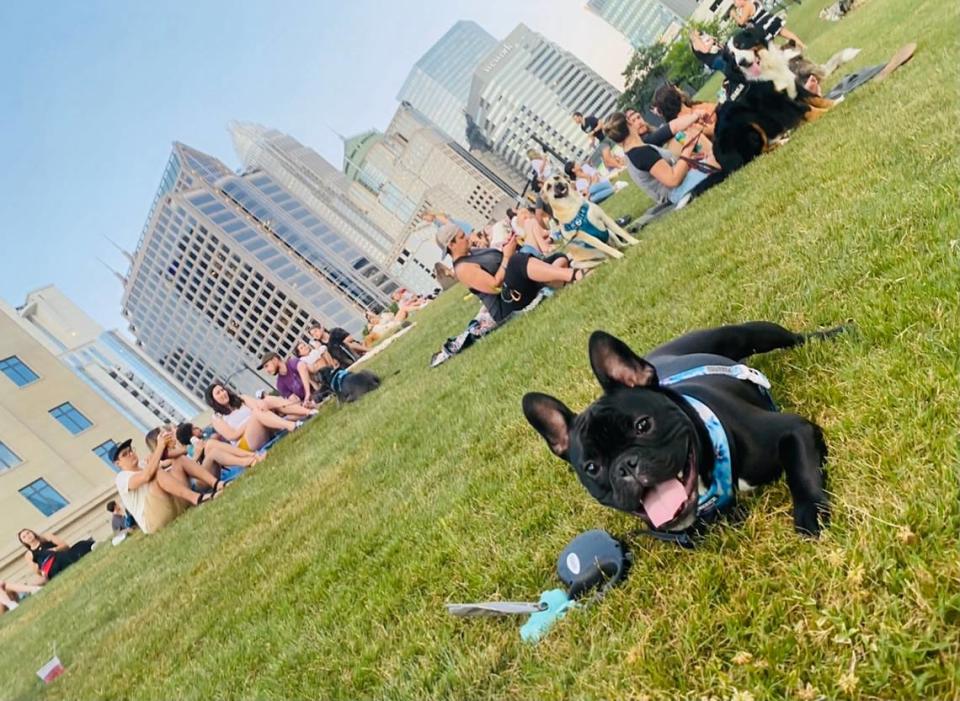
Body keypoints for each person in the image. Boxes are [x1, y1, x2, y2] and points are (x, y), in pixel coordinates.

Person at [437, 223, 581, 324]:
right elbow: (494, 286)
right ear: (451, 245)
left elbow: (498, 261)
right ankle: (572, 275)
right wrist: (507, 256)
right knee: (517, 261)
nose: (467, 237)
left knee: (558, 258)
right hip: (506, 302)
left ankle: (553, 280)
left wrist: (505, 247)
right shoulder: (463, 269)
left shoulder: (472, 252)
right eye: (462, 237)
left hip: (516, 283)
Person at [604, 109, 723, 208]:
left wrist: (693, 158)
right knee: (719, 156)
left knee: (716, 155)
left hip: (677, 189)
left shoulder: (635, 151)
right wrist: (688, 148)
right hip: (676, 193)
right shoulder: (640, 153)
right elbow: (672, 179)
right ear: (629, 123)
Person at [112, 434, 223, 535]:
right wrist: (159, 447)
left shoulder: (144, 463)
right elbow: (146, 476)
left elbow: (172, 458)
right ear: (118, 463)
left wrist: (177, 449)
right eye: (125, 454)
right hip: (153, 520)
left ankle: (217, 484)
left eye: (130, 450)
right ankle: (197, 498)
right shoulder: (121, 477)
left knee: (178, 460)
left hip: (174, 505)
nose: (131, 454)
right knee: (156, 472)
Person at [205, 383, 312, 452]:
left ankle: (308, 411)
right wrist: (250, 420)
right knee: (257, 413)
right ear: (213, 400)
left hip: (263, 425)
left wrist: (262, 403)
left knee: (267, 401)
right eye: (218, 393)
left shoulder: (241, 398)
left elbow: (258, 406)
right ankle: (291, 426)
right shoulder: (217, 417)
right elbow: (232, 436)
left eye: (222, 390)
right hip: (245, 443)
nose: (223, 393)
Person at [172, 422, 263, 477]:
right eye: (194, 429)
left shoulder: (204, 436)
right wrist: (198, 452)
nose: (198, 428)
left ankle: (250, 459)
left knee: (212, 447)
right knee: (211, 444)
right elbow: (194, 467)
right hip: (206, 474)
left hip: (215, 465)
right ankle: (251, 456)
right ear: (190, 436)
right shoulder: (191, 448)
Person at [18, 528, 95, 582]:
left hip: (63, 555)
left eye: (28, 533)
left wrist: (54, 550)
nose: (27, 536)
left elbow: (65, 546)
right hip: (52, 567)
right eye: (24, 537)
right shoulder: (29, 554)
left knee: (81, 544)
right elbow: (37, 571)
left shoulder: (47, 537)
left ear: (32, 532)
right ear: (24, 542)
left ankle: (90, 546)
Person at [731, 0, 805, 47]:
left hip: (764, 25)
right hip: (768, 20)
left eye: (735, 1)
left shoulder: (746, 6)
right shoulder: (751, 2)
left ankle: (797, 46)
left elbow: (742, 21)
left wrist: (734, 15)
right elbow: (745, 23)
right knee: (785, 33)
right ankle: (801, 45)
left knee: (770, 45)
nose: (735, 4)